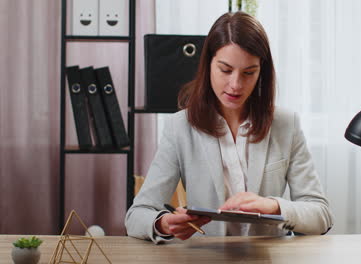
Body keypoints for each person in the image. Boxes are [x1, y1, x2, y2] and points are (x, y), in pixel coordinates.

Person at [125, 11, 334, 243]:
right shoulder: (179, 127)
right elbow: (136, 216)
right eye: (225, 70)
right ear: (208, 66)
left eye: (248, 73)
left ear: (261, 73)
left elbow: (321, 215)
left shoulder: (286, 124)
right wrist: (163, 224)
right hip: (207, 259)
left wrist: (274, 206)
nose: (235, 85)